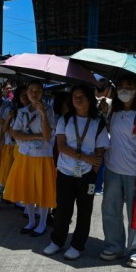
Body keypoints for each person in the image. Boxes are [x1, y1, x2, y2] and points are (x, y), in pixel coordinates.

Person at [43, 85, 109, 260]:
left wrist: (94, 168)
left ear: (90, 99)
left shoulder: (99, 121)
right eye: (74, 97)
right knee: (62, 209)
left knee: (85, 210)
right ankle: (57, 241)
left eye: (82, 96)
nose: (78, 99)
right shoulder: (65, 120)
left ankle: (78, 245)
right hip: (65, 171)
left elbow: (101, 147)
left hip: (87, 174)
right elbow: (62, 146)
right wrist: (85, 157)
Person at [100, 75, 136, 269]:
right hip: (113, 169)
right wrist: (106, 115)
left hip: (133, 172)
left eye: (129, 87)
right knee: (110, 210)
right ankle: (114, 246)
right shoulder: (114, 111)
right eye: (121, 86)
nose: (124, 90)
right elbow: (111, 135)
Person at [4, 80, 57, 237]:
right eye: (31, 91)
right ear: (26, 93)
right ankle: (31, 221)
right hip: (26, 155)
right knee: (27, 187)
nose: (34, 94)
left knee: (43, 189)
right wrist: (36, 136)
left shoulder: (49, 110)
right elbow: (15, 133)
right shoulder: (23, 111)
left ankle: (42, 223)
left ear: (42, 93)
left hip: (43, 156)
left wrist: (42, 114)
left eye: (38, 91)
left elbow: (47, 136)